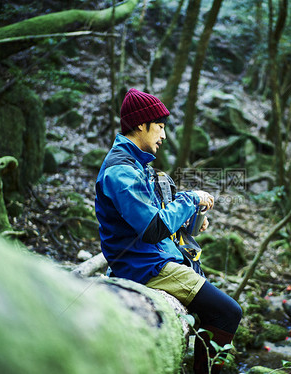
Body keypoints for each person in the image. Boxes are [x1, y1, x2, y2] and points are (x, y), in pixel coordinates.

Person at [95, 88, 242, 374]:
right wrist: (191, 199)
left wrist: (186, 221)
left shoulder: (136, 165)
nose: (163, 135)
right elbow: (153, 228)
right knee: (229, 312)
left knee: (214, 310)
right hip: (143, 267)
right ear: (140, 125)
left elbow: (152, 219)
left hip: (150, 259)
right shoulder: (121, 172)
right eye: (160, 127)